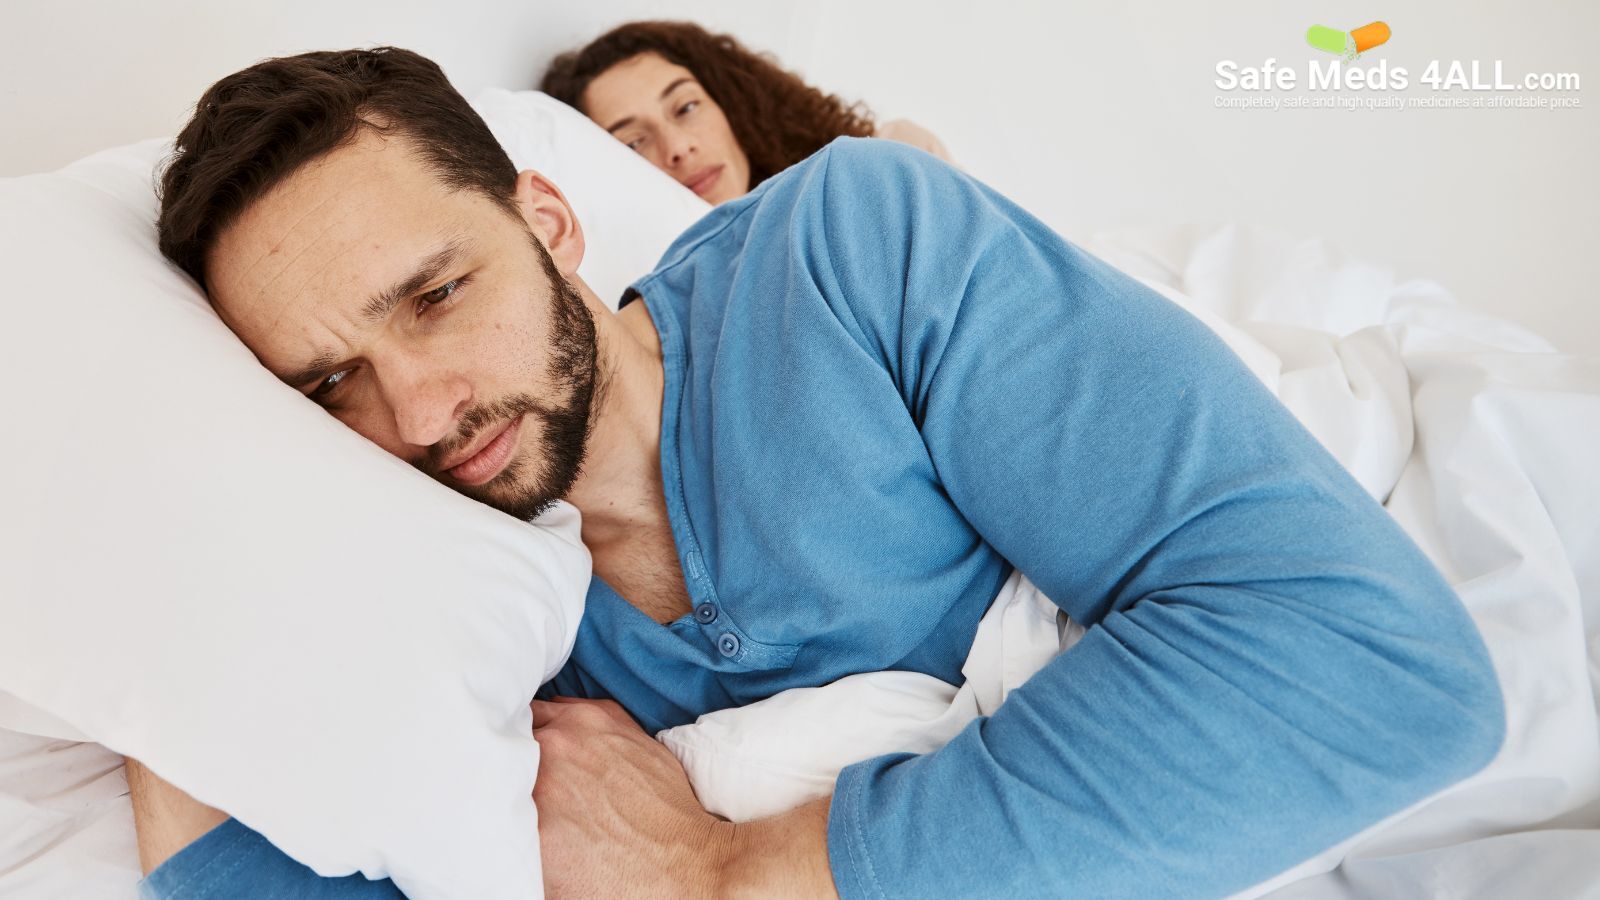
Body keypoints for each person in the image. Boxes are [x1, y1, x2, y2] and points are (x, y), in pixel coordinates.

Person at [132, 46, 1504, 898]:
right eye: (329, 384)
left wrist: (732, 874)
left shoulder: (849, 247)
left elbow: (1379, 674)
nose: (421, 409)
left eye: (436, 292)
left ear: (548, 224)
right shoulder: (461, 609)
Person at [540, 20, 950, 205]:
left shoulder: (890, 159)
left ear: (731, 103)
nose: (678, 147)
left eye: (686, 107)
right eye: (633, 143)